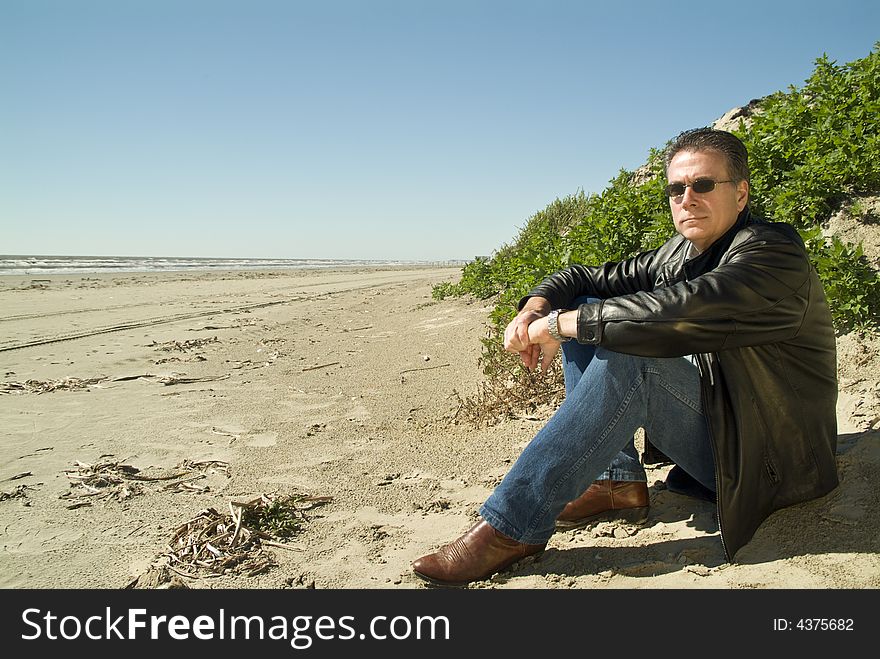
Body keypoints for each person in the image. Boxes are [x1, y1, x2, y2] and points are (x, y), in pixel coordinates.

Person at [411, 128, 839, 587]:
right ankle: (615, 482)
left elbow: (686, 307)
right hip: (727, 434)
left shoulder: (772, 254)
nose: (687, 198)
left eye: (704, 185)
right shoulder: (677, 253)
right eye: (677, 188)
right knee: (593, 308)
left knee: (628, 352)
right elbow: (580, 277)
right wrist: (537, 308)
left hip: (774, 463)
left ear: (741, 194)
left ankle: (510, 527)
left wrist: (558, 326)